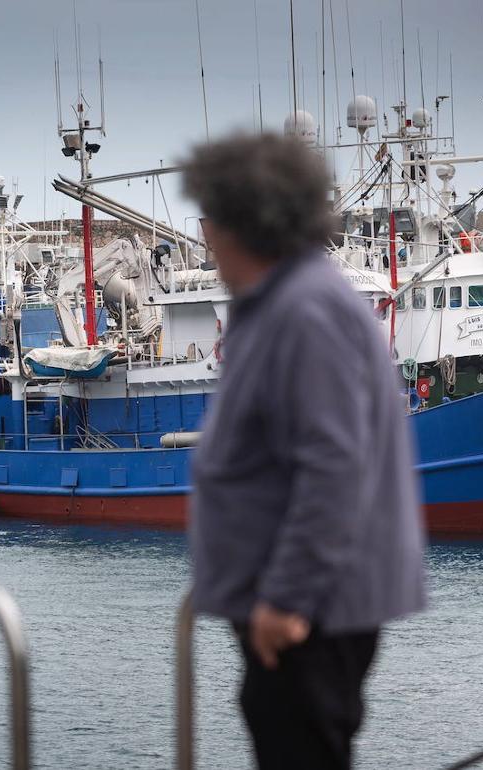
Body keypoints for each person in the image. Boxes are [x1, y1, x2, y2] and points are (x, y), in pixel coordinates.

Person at [183, 133, 426, 769]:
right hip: (301, 604)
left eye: (209, 220)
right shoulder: (288, 304)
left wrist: (289, 597)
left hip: (308, 611)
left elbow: (335, 466)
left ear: (243, 224)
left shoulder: (305, 311)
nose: (206, 240)